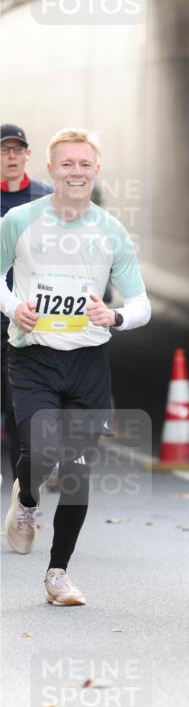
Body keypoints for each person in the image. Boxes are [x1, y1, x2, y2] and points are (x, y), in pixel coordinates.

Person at [1, 127, 151, 606]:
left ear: (97, 170)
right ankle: (26, 502)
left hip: (88, 361)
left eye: (85, 164)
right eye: (67, 163)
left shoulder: (111, 230)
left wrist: (116, 316)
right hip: (34, 357)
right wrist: (12, 307)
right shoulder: (19, 220)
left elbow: (142, 302)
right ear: (50, 169)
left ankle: (58, 573)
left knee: (78, 470)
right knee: (39, 452)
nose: (76, 171)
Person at [1, 124, 53, 479]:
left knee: (21, 405)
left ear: (27, 154)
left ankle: (24, 488)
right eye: (5, 150)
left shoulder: (45, 198)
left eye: (17, 150)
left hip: (27, 318)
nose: (11, 156)